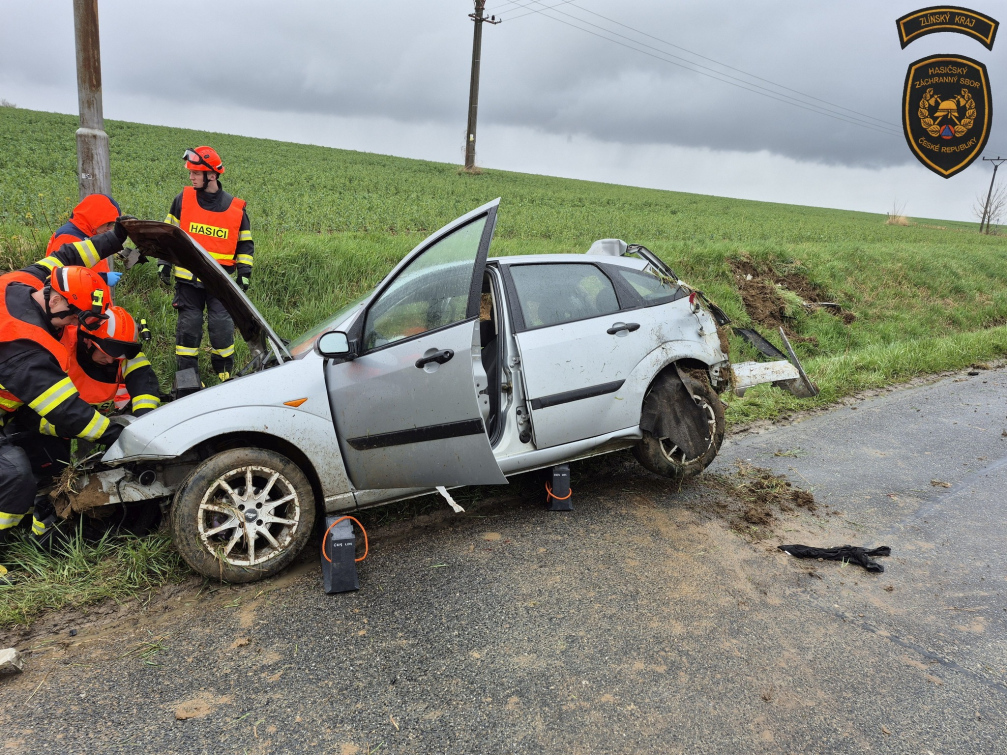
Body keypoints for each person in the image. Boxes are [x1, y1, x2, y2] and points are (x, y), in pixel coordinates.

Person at [0, 222, 130, 544]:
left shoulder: (27, 281)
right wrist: (122, 436)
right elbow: (68, 412)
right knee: (15, 472)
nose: (75, 326)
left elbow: (70, 254)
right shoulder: (23, 346)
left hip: (10, 410)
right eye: (75, 318)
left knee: (51, 452)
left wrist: (115, 238)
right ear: (57, 301)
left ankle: (39, 527)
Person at [158, 146, 254, 382]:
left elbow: (245, 244)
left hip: (220, 283)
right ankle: (188, 382)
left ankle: (224, 377)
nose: (190, 177)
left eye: (195, 173)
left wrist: (244, 273)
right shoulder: (183, 199)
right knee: (188, 332)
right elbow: (167, 233)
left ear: (211, 175)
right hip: (188, 283)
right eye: (190, 172)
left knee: (221, 331)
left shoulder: (235, 208)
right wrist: (164, 262)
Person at [46, 193, 122, 284]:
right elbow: (61, 278)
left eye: (112, 225)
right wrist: (103, 278)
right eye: (108, 223)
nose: (110, 228)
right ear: (96, 217)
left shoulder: (90, 236)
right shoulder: (68, 237)